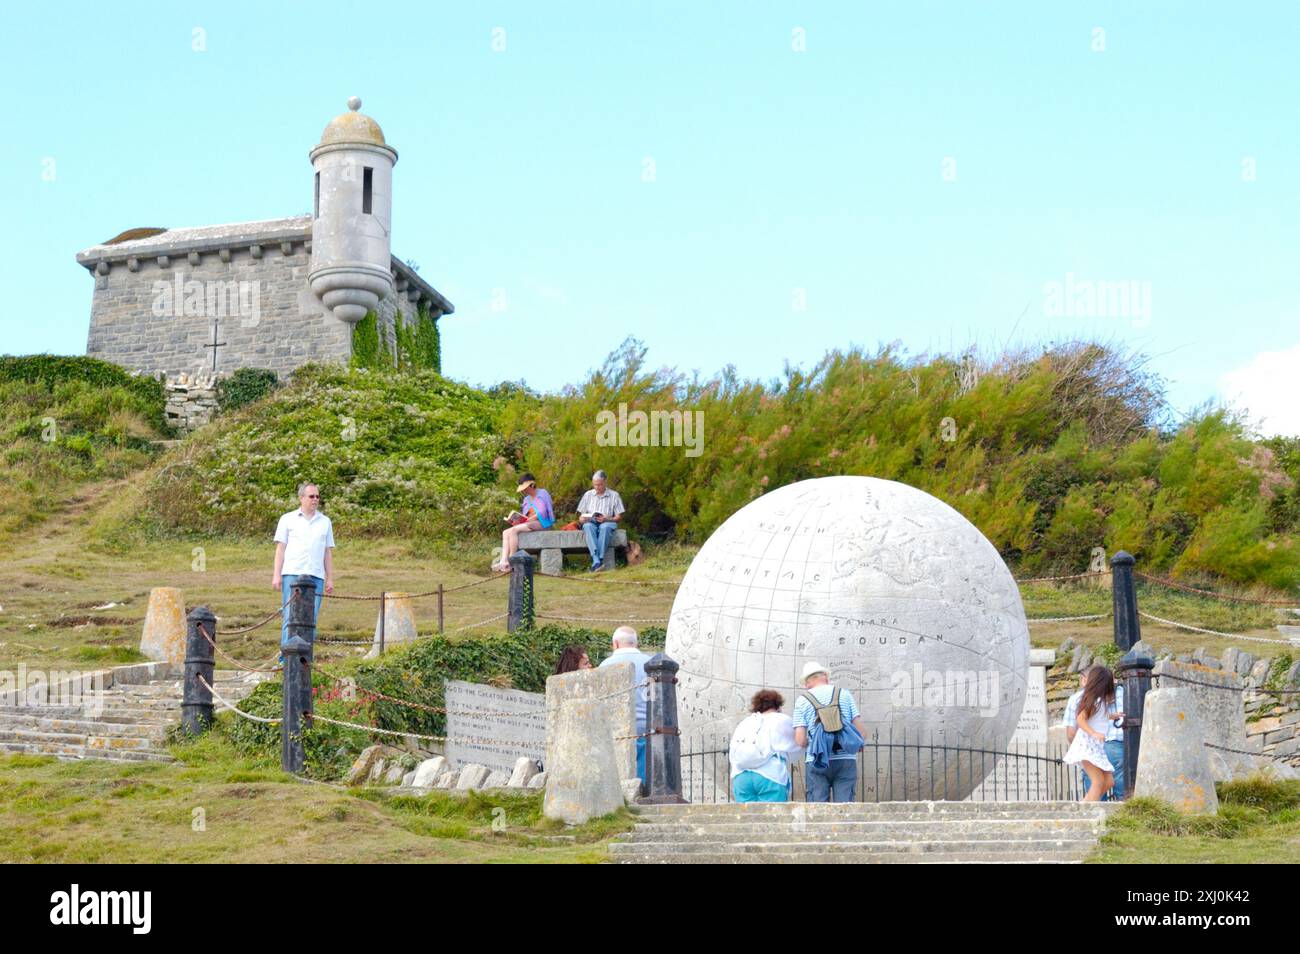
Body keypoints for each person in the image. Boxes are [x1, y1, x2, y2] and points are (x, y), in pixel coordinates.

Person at [792, 662, 867, 802]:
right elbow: (861, 732)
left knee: (818, 811)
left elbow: (800, 740)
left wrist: (818, 741)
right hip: (845, 759)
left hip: (816, 759)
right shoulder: (844, 694)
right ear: (825, 676)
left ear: (807, 682)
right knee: (845, 809)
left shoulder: (802, 700)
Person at [271, 482, 335, 648]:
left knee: (311, 617)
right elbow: (281, 549)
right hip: (293, 573)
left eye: (317, 496)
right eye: (311, 496)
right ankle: (285, 657)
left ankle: (306, 656)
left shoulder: (325, 521)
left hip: (316, 575)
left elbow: (327, 552)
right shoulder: (287, 519)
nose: (315, 500)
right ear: (301, 498)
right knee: (290, 615)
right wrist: (276, 575)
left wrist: (330, 579)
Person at [598, 625, 652, 785]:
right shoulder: (650, 663)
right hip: (647, 729)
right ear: (636, 643)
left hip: (616, 732)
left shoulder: (605, 665)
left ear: (615, 643)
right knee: (644, 779)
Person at [729, 690, 801, 802]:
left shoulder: (745, 723)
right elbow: (798, 743)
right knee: (773, 817)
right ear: (777, 705)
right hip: (770, 774)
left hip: (741, 775)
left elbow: (733, 752)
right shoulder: (781, 719)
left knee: (745, 817)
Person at [1064, 672, 1126, 800]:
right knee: (1098, 782)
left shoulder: (1100, 700)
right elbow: (1080, 719)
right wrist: (1094, 733)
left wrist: (1112, 716)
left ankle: (1086, 804)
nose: (1114, 685)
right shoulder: (1092, 700)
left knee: (1109, 781)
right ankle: (1085, 812)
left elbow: (1099, 716)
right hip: (1088, 746)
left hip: (1096, 747)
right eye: (1111, 683)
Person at [492, 473, 555, 572]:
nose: (524, 490)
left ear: (532, 485)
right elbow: (525, 515)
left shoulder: (543, 493)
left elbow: (545, 511)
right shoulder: (526, 499)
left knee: (514, 531)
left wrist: (533, 518)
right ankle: (503, 561)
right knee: (506, 532)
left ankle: (511, 560)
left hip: (542, 523)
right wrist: (515, 520)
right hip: (529, 523)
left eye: (525, 487)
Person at [575, 470, 625, 572]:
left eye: (600, 485)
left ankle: (598, 560)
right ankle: (596, 560)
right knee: (588, 526)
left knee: (605, 527)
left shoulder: (614, 495)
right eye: (595, 485)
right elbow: (580, 517)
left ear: (605, 482)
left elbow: (619, 517)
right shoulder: (588, 495)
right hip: (591, 522)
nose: (597, 487)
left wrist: (607, 518)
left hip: (607, 522)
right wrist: (582, 519)